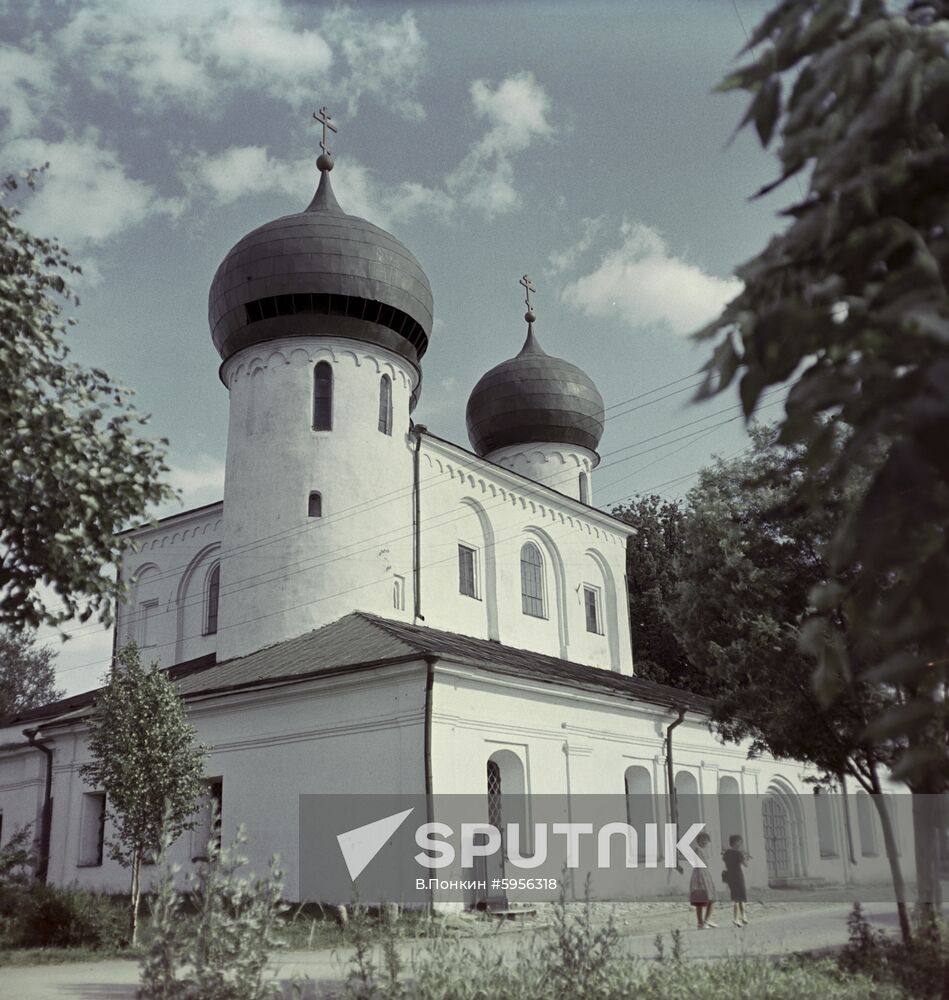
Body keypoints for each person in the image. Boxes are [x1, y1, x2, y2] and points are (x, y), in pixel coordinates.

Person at [688, 830, 717, 928]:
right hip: (701, 875)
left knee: (703, 900)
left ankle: (702, 922)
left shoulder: (701, 850)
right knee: (708, 899)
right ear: (699, 840)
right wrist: (700, 879)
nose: (705, 842)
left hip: (703, 874)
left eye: (706, 840)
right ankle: (704, 921)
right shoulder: (698, 850)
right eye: (703, 840)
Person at [722, 834, 750, 926]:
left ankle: (736, 918)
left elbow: (725, 863)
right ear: (736, 842)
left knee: (735, 898)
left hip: (730, 876)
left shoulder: (727, 853)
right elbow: (745, 864)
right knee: (741, 896)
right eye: (739, 841)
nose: (740, 843)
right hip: (738, 875)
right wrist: (745, 858)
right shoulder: (738, 853)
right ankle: (743, 916)